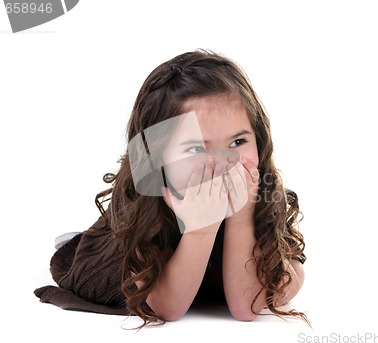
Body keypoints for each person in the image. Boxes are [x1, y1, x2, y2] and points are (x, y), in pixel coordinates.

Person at [34, 49, 307, 328]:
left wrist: (241, 217)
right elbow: (167, 308)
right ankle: (84, 238)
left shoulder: (258, 186)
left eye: (238, 143)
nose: (222, 164)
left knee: (288, 273)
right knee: (108, 266)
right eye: (196, 148)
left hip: (230, 256)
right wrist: (201, 228)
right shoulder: (142, 199)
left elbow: (246, 307)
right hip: (148, 246)